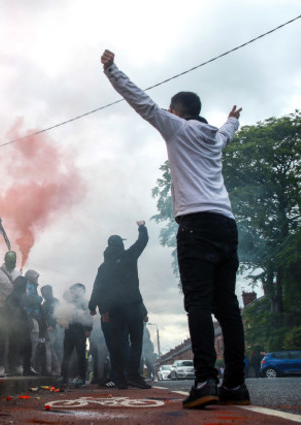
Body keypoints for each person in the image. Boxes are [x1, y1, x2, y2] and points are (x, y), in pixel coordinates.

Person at [101, 49, 250, 408]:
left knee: (198, 302)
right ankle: (235, 385)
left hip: (196, 225)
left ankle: (204, 380)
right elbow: (228, 131)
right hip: (226, 224)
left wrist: (111, 70)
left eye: (170, 108)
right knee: (227, 306)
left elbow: (142, 102)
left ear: (178, 111)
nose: (166, 112)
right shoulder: (214, 136)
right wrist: (233, 120)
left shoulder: (176, 128)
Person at [89, 221, 151, 390]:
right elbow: (142, 241)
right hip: (133, 306)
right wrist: (142, 227)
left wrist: (96, 307)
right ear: (121, 244)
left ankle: (121, 379)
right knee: (136, 341)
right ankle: (133, 375)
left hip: (115, 310)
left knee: (118, 345)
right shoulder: (128, 256)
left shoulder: (104, 266)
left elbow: (98, 288)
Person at [57, 283, 93, 387]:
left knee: (81, 355)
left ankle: (81, 378)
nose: (72, 291)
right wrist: (62, 321)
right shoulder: (69, 301)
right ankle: (64, 377)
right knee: (66, 354)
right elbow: (63, 314)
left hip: (80, 332)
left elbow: (89, 316)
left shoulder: (85, 303)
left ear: (81, 291)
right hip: (69, 331)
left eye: (75, 290)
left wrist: (88, 329)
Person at [0, 251, 22, 376]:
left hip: (14, 311)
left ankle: (12, 365)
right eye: (9, 259)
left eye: (13, 259)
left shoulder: (18, 273)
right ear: (5, 260)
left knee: (15, 338)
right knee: (1, 337)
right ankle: (1, 366)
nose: (11, 262)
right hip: (1, 308)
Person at [39, 284, 61, 376]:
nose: (43, 293)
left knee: (48, 347)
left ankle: (49, 370)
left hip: (52, 328)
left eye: (44, 291)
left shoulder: (54, 301)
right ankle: (56, 369)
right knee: (49, 348)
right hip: (45, 328)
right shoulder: (45, 303)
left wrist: (52, 324)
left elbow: (56, 314)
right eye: (42, 291)